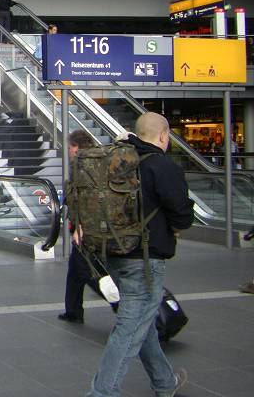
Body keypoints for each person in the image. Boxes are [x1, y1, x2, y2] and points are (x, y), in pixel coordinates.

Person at [82, 112, 193, 397]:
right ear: (163, 136)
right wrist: (176, 228)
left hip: (113, 252)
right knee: (129, 329)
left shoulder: (117, 162)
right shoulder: (162, 166)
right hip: (144, 260)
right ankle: (102, 393)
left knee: (143, 325)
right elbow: (182, 215)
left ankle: (165, 382)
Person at [58, 129, 102, 324]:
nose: (69, 152)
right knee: (75, 270)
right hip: (101, 225)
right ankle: (73, 310)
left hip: (86, 229)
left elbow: (79, 199)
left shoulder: (81, 165)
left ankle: (121, 304)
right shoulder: (102, 160)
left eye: (69, 148)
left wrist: (78, 227)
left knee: (91, 273)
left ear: (77, 147)